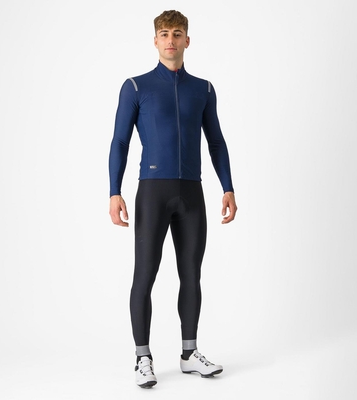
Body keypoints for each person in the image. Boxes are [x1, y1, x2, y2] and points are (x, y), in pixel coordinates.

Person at [108, 10, 237, 388]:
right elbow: (119, 141)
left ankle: (189, 354)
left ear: (187, 41)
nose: (170, 40)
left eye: (177, 33)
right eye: (164, 33)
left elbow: (216, 141)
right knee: (145, 274)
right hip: (153, 191)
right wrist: (114, 191)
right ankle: (142, 358)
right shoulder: (136, 86)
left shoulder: (204, 89)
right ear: (155, 41)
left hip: (191, 192)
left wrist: (228, 187)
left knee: (191, 274)